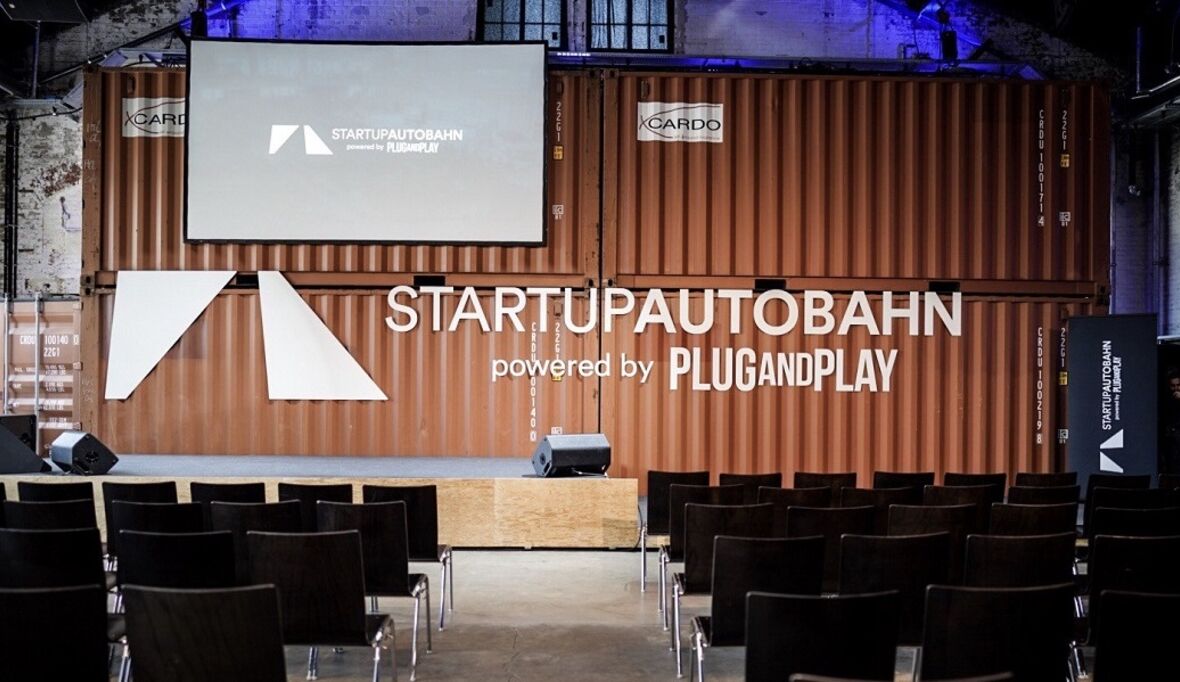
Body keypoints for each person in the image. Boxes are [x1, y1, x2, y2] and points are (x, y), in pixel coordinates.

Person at [1163, 368, 1180, 474]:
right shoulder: (1167, 399)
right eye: (1173, 386)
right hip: (1172, 439)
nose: (1176, 388)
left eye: (1178, 385)